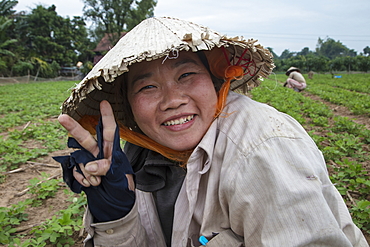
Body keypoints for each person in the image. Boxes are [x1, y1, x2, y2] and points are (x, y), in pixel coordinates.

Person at [54, 17, 368, 247]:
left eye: (187, 74)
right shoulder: (134, 156)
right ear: (128, 105)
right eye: (147, 86)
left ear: (217, 82)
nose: (173, 100)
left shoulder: (262, 147)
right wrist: (116, 217)